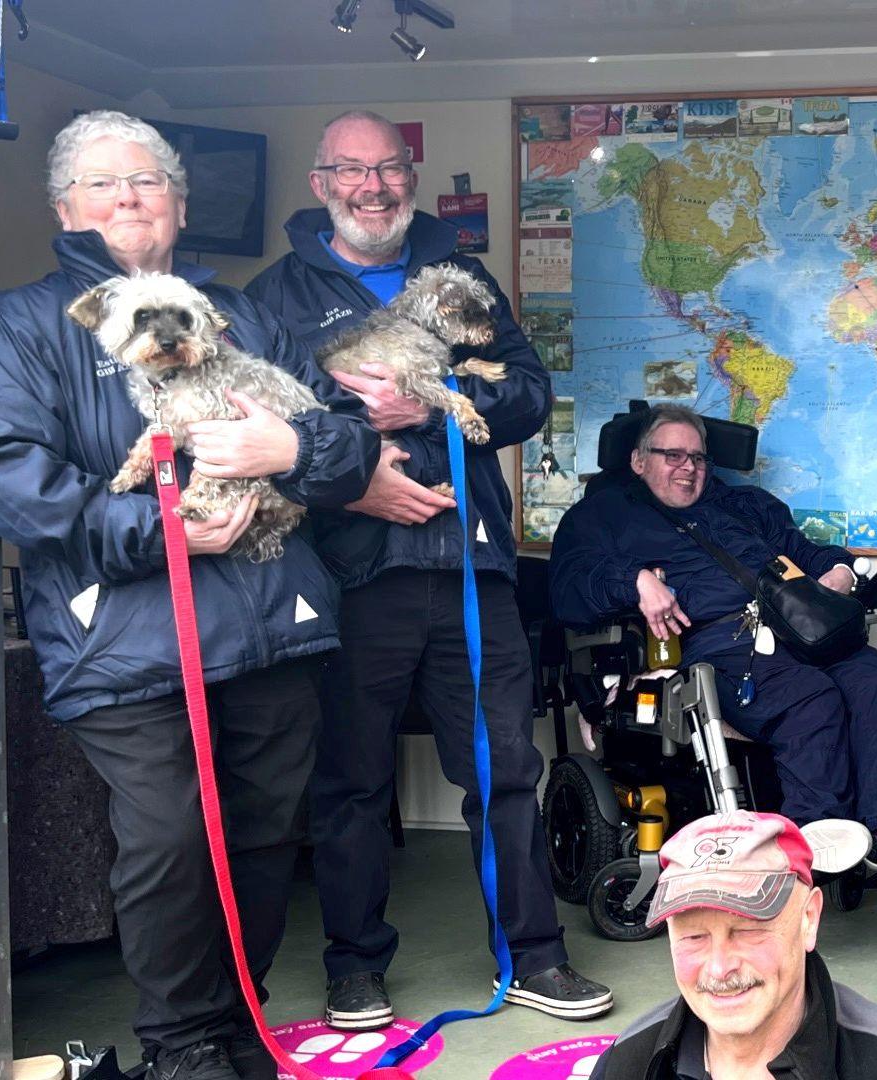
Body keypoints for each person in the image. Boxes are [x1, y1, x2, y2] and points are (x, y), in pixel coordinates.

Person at [0, 111, 380, 1080]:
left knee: (269, 833)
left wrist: (292, 449)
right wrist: (156, 530)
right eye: (104, 184)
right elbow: (0, 477)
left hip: (272, 620)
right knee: (172, 840)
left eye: (147, 181)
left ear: (182, 205)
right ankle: (183, 1044)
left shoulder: (247, 313)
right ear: (65, 206)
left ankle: (239, 1021)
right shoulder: (30, 325)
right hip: (128, 635)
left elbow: (351, 441)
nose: (129, 198)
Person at [246, 109, 609, 1028]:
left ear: (412, 177)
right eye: (353, 171)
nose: (375, 187)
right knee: (350, 782)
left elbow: (527, 393)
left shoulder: (464, 278)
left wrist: (431, 409)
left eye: (390, 169)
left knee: (506, 772)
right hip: (351, 573)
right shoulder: (279, 294)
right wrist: (357, 475)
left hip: (471, 569)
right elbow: (268, 429)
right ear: (322, 182)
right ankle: (355, 967)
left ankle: (534, 958)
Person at [549, 404, 877, 862]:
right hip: (717, 644)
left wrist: (839, 570)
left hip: (795, 628)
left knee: (871, 678)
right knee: (809, 698)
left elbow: (803, 550)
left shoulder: (743, 505)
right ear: (638, 460)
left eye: (698, 458)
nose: (688, 468)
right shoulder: (601, 515)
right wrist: (635, 580)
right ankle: (809, 847)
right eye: (673, 456)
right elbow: (570, 586)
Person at [590, 811, 877, 1080]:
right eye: (694, 937)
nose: (719, 968)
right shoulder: (628, 1064)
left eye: (747, 931)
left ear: (809, 918)